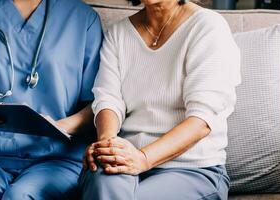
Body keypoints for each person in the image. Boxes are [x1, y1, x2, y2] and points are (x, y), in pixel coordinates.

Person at [0, 0, 102, 199]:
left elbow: (99, 104)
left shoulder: (83, 19)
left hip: (56, 158)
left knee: (21, 197)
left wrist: (60, 126)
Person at [79, 0, 240, 199]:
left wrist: (143, 158)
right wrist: (108, 145)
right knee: (103, 182)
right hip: (125, 160)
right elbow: (108, 99)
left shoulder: (208, 27)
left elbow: (202, 121)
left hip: (192, 169)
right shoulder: (118, 33)